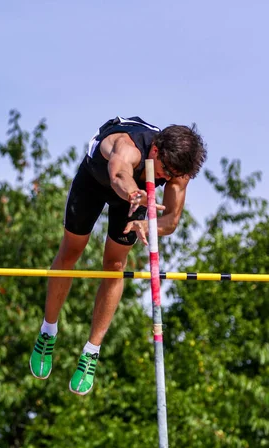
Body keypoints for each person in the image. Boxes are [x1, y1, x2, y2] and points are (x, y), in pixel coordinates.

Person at [29, 116, 207, 395]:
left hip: (136, 196)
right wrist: (132, 193)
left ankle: (91, 352)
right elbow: (118, 174)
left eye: (174, 176)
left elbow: (171, 220)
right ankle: (48, 331)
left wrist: (145, 224)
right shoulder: (126, 146)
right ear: (156, 152)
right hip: (97, 180)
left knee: (115, 264)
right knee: (72, 250)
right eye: (166, 171)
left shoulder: (178, 169)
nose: (167, 178)